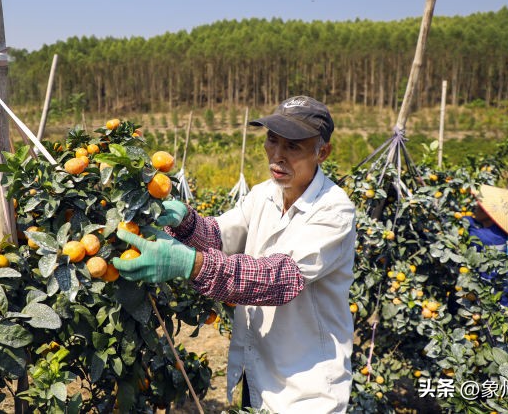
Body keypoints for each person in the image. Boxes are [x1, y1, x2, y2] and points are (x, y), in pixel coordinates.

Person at [113, 96, 357, 413]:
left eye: (293, 146)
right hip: (257, 373)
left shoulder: (334, 212)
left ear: (322, 152)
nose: (277, 155)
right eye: (272, 140)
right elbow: (219, 236)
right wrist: (185, 222)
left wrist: (190, 264)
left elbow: (278, 279)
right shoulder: (264, 194)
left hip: (306, 389)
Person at [467, 184, 508, 307]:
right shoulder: (499, 233)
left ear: (490, 212)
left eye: (480, 205)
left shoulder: (489, 237)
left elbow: (465, 227)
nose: (475, 207)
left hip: (502, 299)